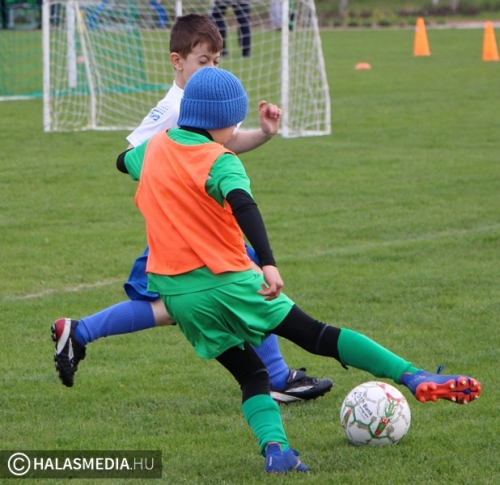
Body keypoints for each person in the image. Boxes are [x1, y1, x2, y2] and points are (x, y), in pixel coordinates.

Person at [114, 66, 481, 474]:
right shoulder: (220, 160)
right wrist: (267, 263)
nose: (235, 130)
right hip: (227, 280)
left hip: (178, 295)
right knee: (316, 334)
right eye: (234, 121)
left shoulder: (155, 147)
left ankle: (278, 452)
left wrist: (154, 142)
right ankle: (412, 375)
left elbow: (122, 161)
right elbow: (244, 206)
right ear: (224, 119)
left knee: (251, 374)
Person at [51, 14, 333, 404]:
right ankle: (277, 378)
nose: (211, 68)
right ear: (177, 61)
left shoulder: (204, 100)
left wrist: (264, 134)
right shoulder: (173, 107)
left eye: (216, 61)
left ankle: (78, 332)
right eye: (203, 61)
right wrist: (167, 174)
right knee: (246, 285)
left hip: (202, 227)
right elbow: (129, 156)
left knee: (173, 307)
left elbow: (224, 144)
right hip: (185, 230)